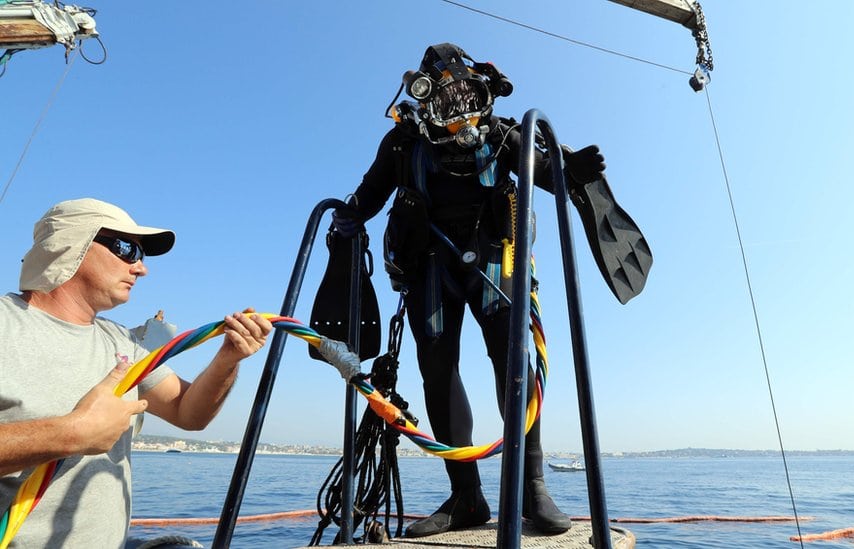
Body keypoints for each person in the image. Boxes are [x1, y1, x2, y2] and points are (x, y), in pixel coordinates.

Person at [331, 43, 609, 538]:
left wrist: (572, 171)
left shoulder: (507, 137)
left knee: (515, 365)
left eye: (469, 95)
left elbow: (546, 175)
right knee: (438, 370)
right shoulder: (401, 144)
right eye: (447, 98)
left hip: (497, 259)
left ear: (484, 93)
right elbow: (371, 192)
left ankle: (532, 487)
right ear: (424, 100)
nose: (461, 111)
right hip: (429, 268)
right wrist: (347, 217)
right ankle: (466, 496)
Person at [0, 198, 354, 548]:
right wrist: (72, 433)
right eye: (127, 249)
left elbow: (188, 412)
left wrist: (226, 360)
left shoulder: (121, 342)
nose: (141, 268)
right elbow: (77, 434)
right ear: (71, 244)